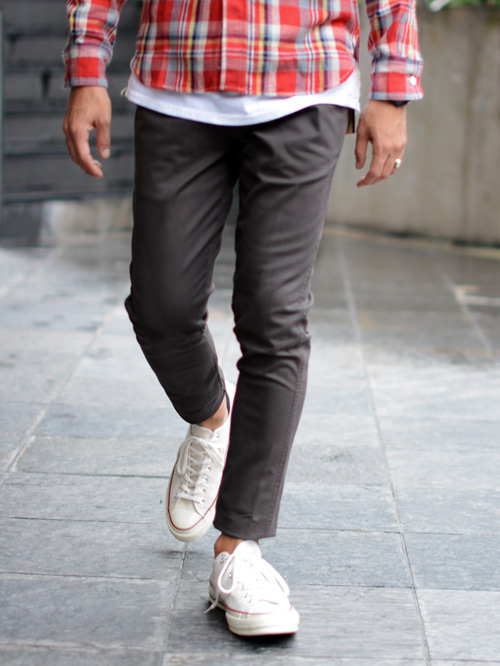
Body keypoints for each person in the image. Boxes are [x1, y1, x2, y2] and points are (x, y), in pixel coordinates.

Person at [63, 0, 422, 638]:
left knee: (275, 316)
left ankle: (239, 550)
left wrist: (392, 87)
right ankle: (211, 417)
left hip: (307, 78)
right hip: (179, 77)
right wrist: (87, 67)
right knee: (161, 307)